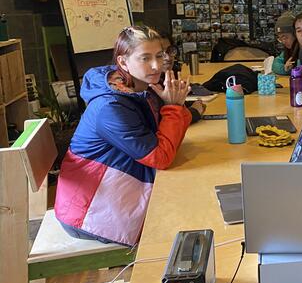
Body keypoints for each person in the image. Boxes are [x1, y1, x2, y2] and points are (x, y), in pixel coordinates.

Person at [54, 26, 192, 247]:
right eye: (145, 58)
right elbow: (161, 156)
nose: (156, 65)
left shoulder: (139, 87)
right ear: (123, 62)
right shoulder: (110, 107)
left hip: (120, 193)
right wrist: (174, 107)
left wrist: (174, 106)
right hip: (90, 211)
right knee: (190, 217)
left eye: (159, 56)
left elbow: (165, 139)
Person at [159, 35, 205, 123]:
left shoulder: (166, 77)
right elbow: (166, 120)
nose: (168, 57)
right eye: (160, 53)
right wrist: (194, 112)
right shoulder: (149, 86)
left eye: (170, 51)